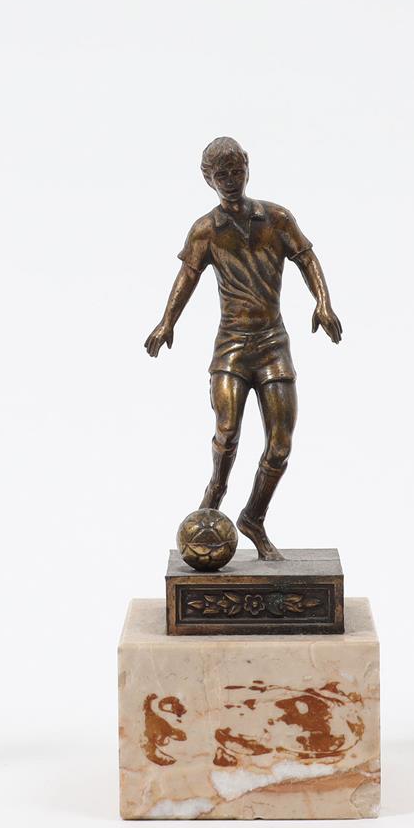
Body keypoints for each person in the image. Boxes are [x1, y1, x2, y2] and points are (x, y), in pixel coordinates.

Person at [145, 137, 342, 561]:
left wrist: (323, 302)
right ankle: (215, 490)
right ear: (208, 180)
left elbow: (307, 258)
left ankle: (253, 516)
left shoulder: (276, 218)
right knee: (228, 431)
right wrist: (167, 322)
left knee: (281, 444)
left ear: (248, 168)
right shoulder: (206, 230)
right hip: (232, 346)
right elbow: (187, 278)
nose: (231, 180)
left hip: (273, 344)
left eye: (236, 171)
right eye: (222, 175)